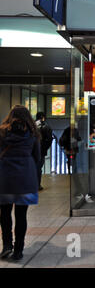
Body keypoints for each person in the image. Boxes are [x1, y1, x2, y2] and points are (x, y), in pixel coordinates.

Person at [0, 105, 40, 261]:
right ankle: (18, 250)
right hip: (25, 177)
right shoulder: (33, 133)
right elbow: (37, 157)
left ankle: (7, 245)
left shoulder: (2, 132)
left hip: (5, 177)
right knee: (21, 215)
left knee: (4, 213)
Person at [35, 112, 53, 191]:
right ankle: (37, 185)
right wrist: (45, 148)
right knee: (38, 168)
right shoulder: (46, 126)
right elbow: (49, 139)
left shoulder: (31, 125)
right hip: (41, 151)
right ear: (43, 117)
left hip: (30, 151)